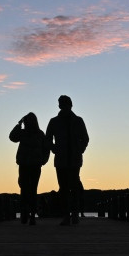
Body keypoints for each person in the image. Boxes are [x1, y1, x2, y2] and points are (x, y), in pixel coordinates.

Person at [45, 94, 89, 225]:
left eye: (65, 103)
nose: (63, 106)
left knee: (74, 188)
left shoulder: (78, 121)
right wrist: (54, 149)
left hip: (74, 159)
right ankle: (66, 216)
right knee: (63, 188)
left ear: (70, 105)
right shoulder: (54, 121)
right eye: (61, 104)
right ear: (59, 106)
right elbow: (48, 138)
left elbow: (85, 138)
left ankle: (74, 215)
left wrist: (80, 149)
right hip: (61, 160)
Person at [10, 112, 48, 225]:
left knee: (32, 189)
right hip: (24, 164)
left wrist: (43, 160)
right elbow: (12, 137)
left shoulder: (40, 134)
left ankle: (31, 215)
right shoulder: (23, 133)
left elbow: (46, 148)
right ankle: (25, 213)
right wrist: (19, 125)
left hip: (35, 165)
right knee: (24, 187)